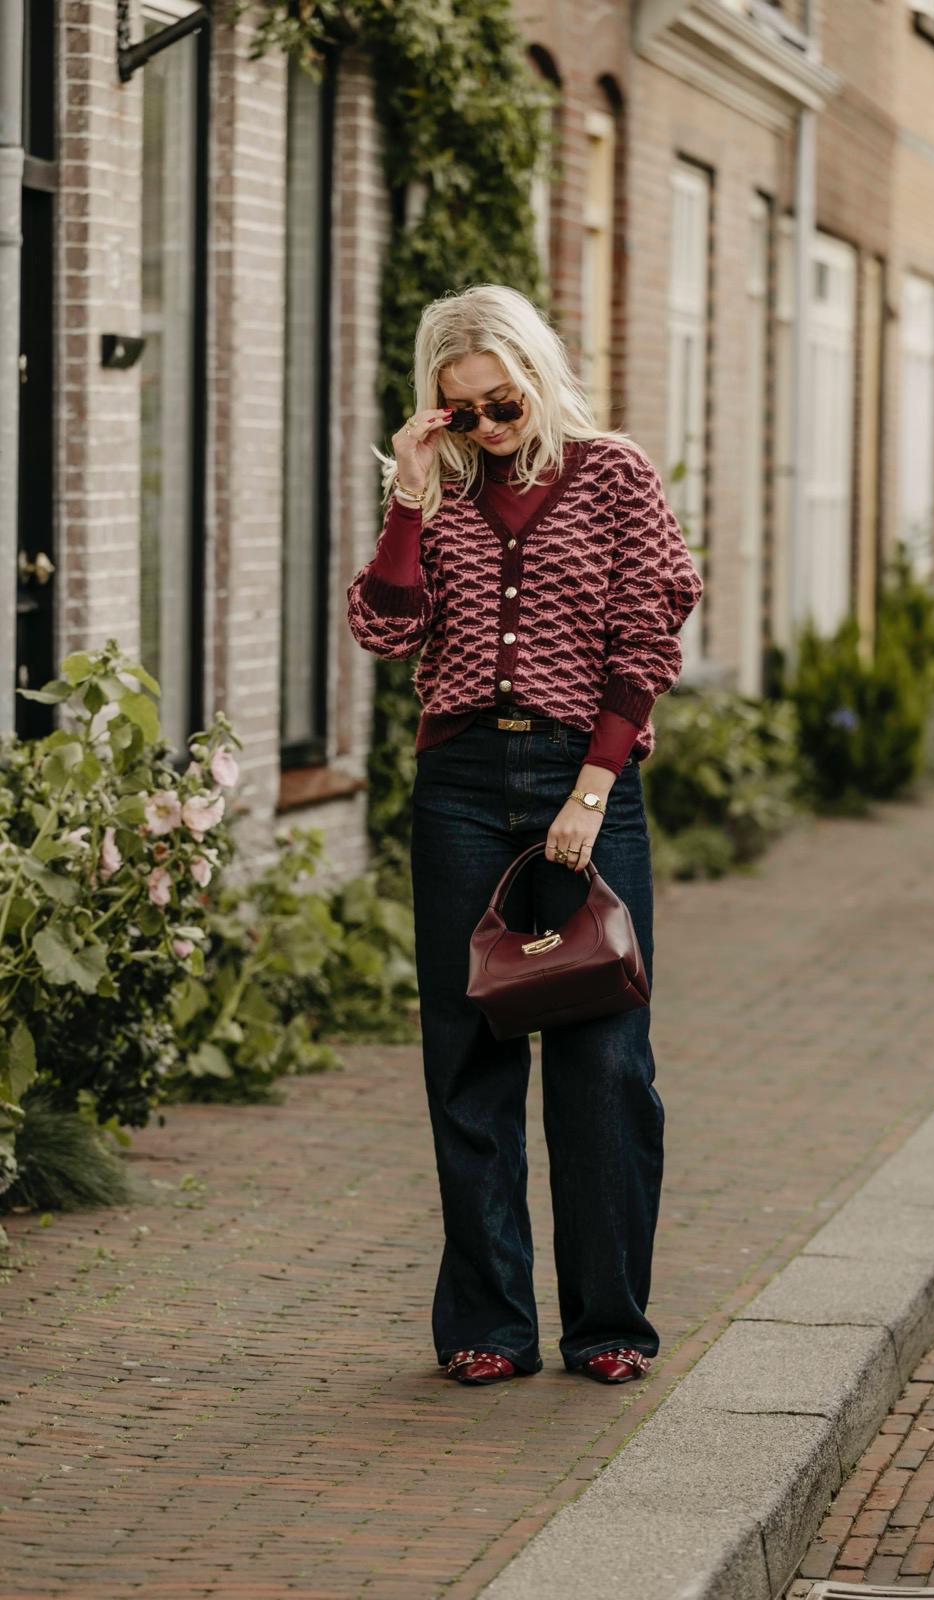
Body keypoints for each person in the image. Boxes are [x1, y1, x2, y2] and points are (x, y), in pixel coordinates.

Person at [347, 283, 703, 1386]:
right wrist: (410, 495)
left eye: (504, 402)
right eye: (465, 410)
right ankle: (489, 1323)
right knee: (468, 1058)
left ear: (539, 379)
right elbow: (384, 629)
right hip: (459, 785)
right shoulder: (442, 488)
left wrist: (591, 790)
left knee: (605, 1062)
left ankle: (607, 1322)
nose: (491, 426)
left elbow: (649, 632)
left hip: (581, 777)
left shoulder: (613, 473)